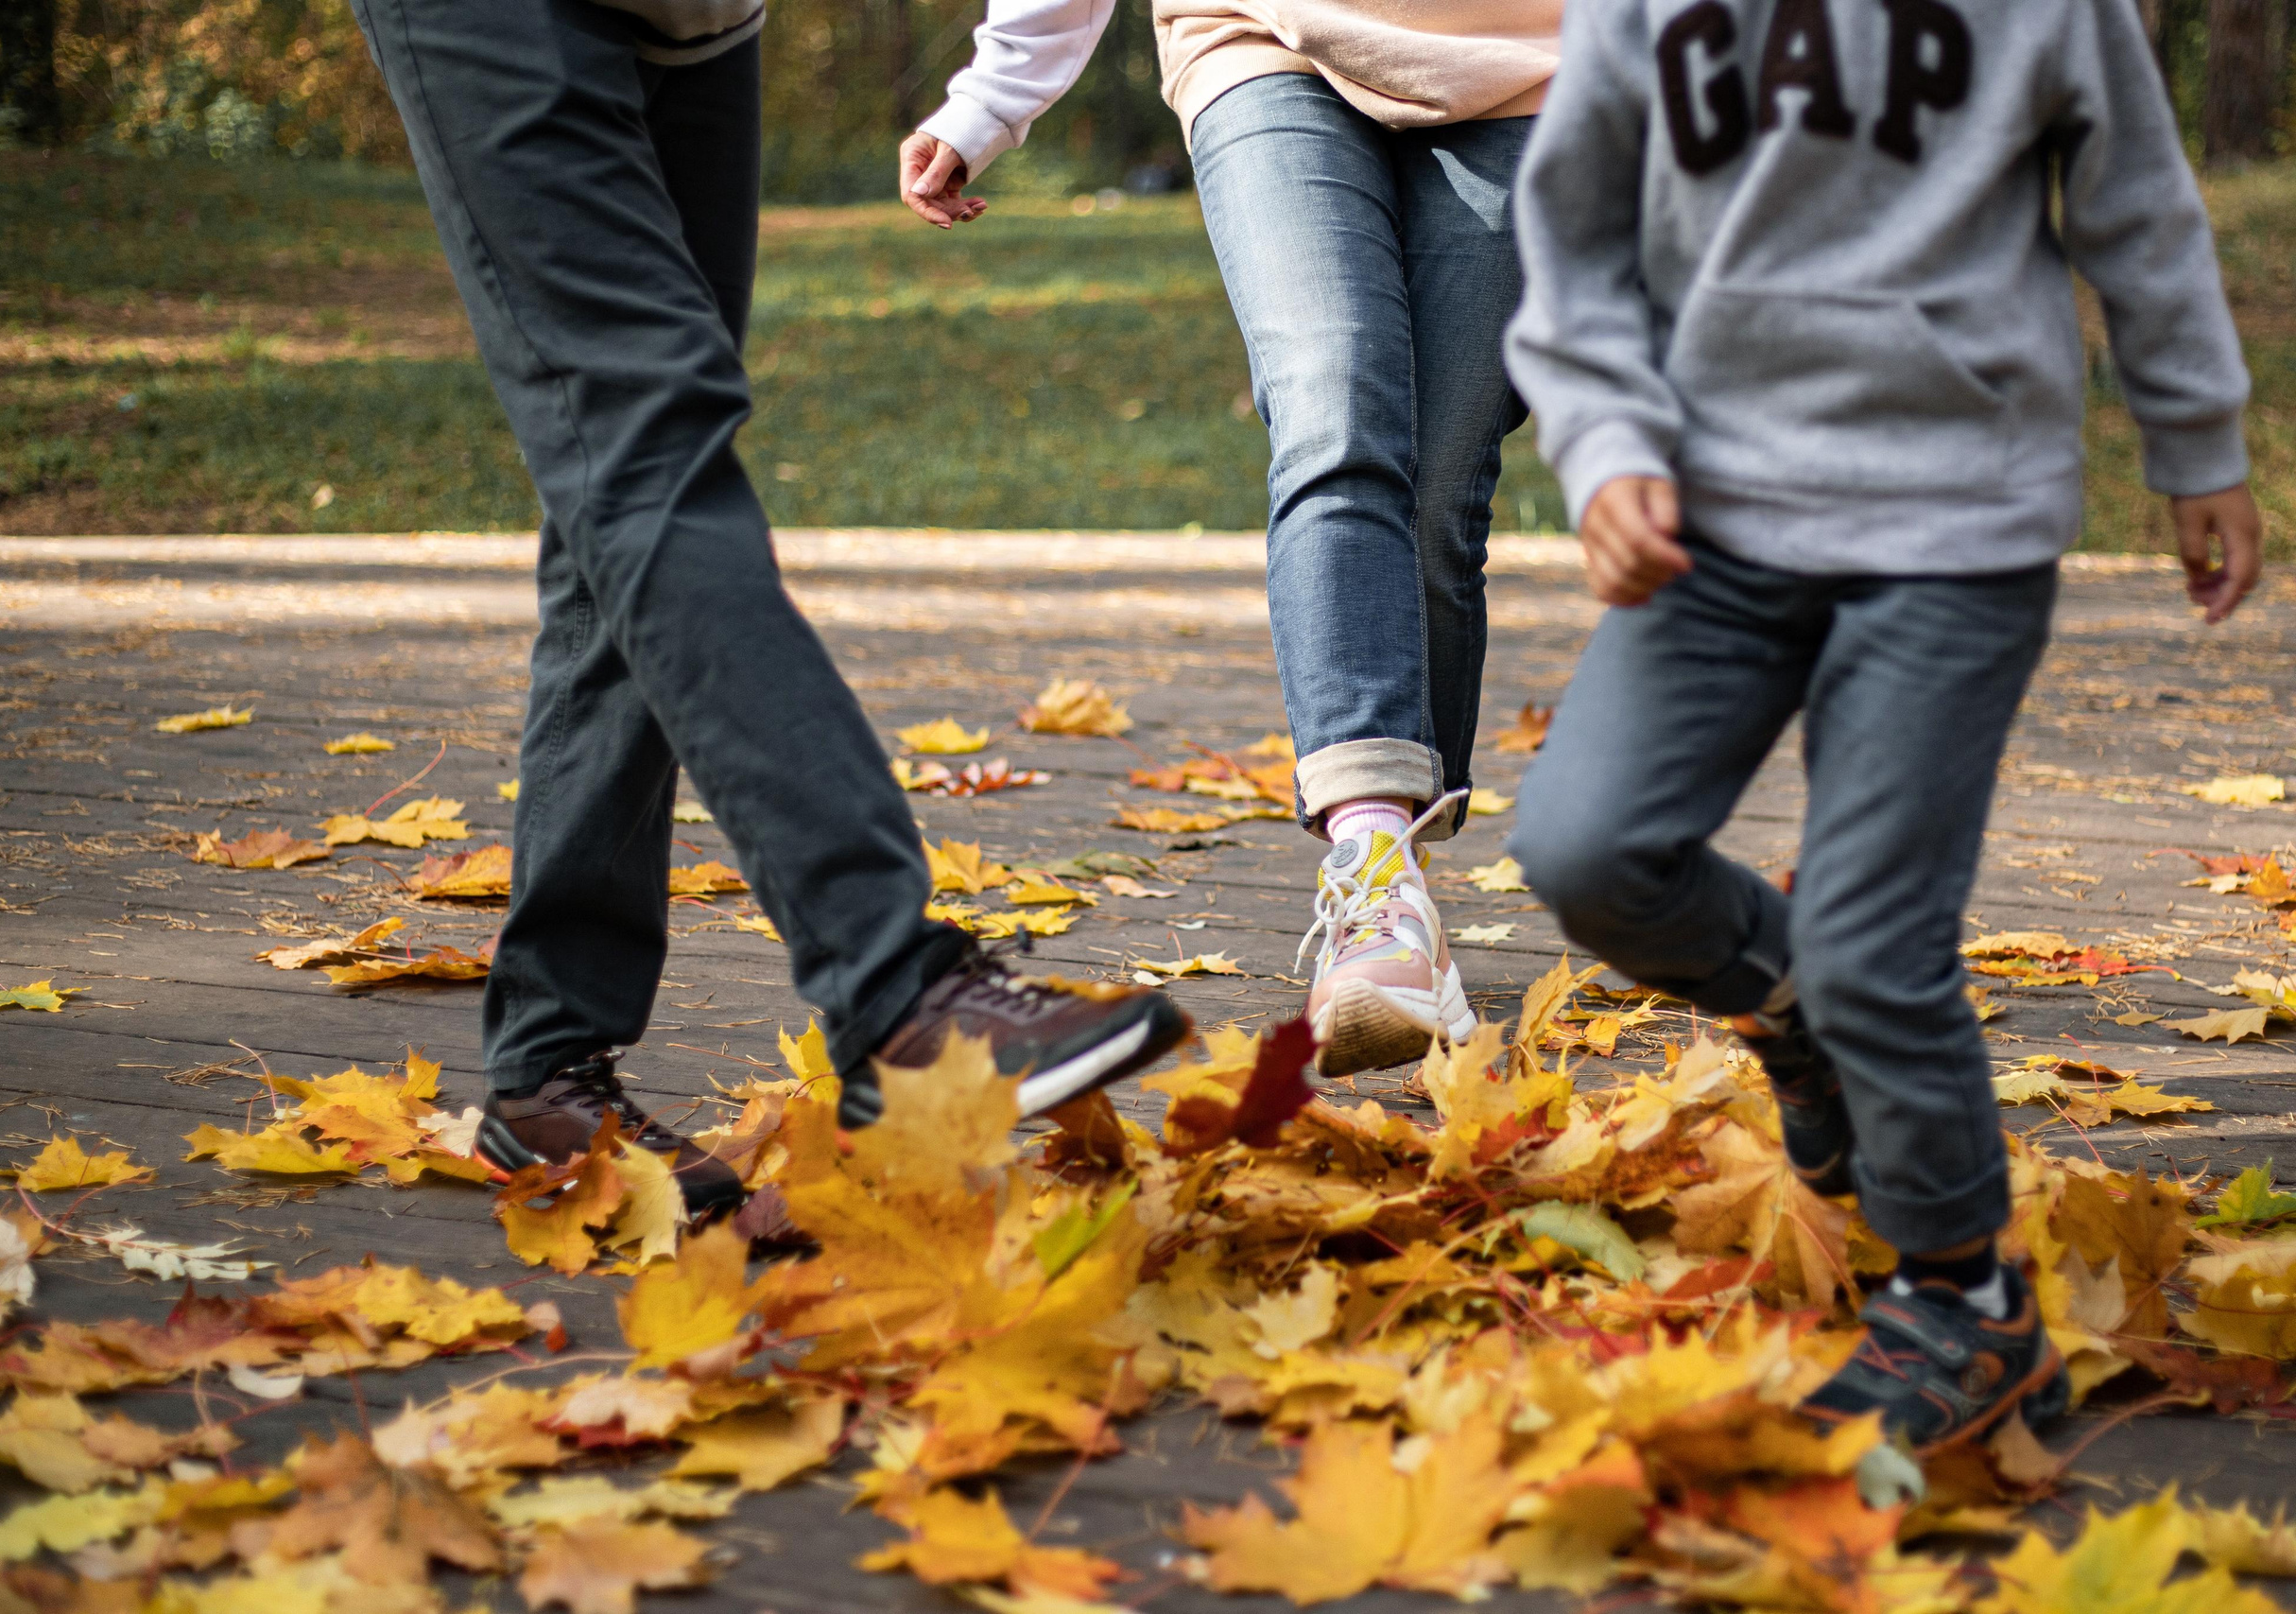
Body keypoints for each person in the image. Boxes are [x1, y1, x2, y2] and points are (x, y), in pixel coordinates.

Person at [1503, 0, 2260, 1449]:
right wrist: (1602, 443)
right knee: (1587, 850)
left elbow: (2140, 206)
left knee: (1875, 942)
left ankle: (1968, 1296)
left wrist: (2197, 438)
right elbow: (1575, 230)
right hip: (1713, 518)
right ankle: (1792, 1003)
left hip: (1954, 521)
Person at [346, 0, 1189, 1216]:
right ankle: (894, 987)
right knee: (645, 439)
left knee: (621, 488)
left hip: (701, 21)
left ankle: (544, 1069)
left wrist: (994, 93)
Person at [900, 0, 1562, 1075]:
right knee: (1332, 406)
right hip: (1258, 38)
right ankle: (1373, 876)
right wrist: (992, 97)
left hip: (1532, 62)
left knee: (1439, 488)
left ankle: (1399, 872)